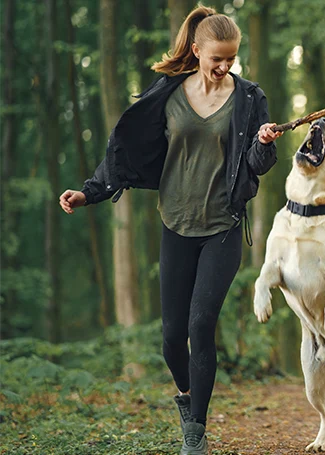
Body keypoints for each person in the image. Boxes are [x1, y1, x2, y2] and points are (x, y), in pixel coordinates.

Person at [58, 6, 283, 454]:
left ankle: (195, 437)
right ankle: (186, 394)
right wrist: (90, 192)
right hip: (176, 225)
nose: (224, 67)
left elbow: (258, 168)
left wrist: (262, 143)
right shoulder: (168, 95)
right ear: (197, 50)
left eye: (232, 59)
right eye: (217, 58)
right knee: (170, 336)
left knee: (201, 325)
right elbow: (126, 146)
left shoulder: (250, 98)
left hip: (222, 225)